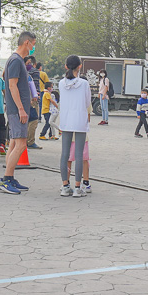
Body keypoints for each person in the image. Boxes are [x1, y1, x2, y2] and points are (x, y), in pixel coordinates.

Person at [0, 31, 37, 194]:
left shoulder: (16, 60)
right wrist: (21, 108)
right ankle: (6, 180)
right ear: (26, 42)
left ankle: (10, 177)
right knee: (21, 145)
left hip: (17, 109)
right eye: (33, 43)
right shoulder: (15, 60)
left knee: (14, 144)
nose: (33, 47)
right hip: (16, 110)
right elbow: (12, 86)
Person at [59, 55, 91, 198]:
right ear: (80, 66)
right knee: (79, 154)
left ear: (66, 66)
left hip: (65, 120)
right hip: (80, 120)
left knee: (65, 154)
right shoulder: (84, 84)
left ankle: (65, 186)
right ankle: (78, 188)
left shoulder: (60, 83)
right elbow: (87, 102)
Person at [25, 57, 42, 150]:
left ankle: (25, 140)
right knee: (33, 120)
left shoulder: (21, 71)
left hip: (24, 100)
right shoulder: (34, 72)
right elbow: (35, 85)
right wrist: (35, 96)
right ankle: (30, 141)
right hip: (33, 100)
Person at [0, 72, 7, 155]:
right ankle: (1, 144)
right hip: (0, 109)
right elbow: (5, 93)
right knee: (2, 127)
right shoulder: (0, 80)